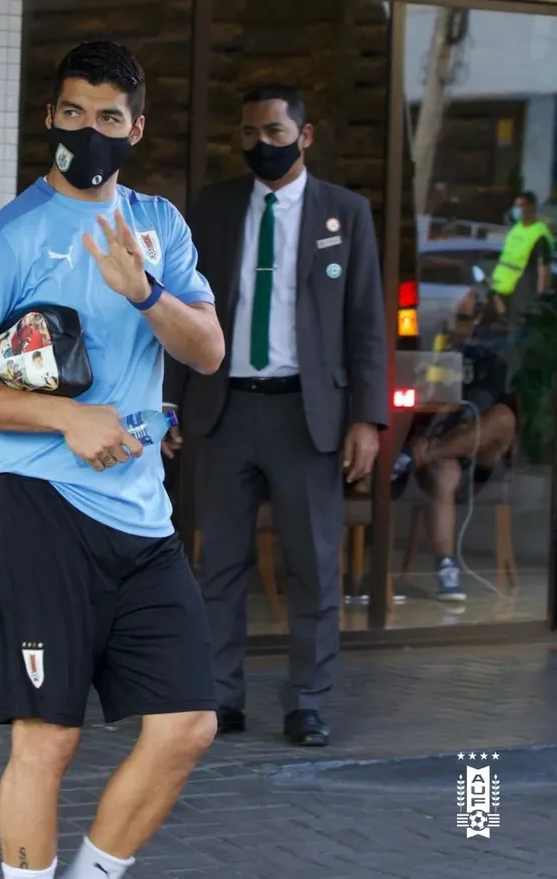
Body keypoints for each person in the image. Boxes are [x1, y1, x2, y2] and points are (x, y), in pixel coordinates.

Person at [0, 40, 224, 879]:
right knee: (48, 739)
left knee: (189, 722)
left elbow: (207, 349)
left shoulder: (159, 225)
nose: (91, 131)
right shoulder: (9, 235)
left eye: (110, 119)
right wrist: (63, 418)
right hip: (41, 511)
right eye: (75, 115)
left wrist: (146, 293)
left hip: (142, 516)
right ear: (50, 118)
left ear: (136, 127)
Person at [163, 84, 388, 748]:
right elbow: (181, 309)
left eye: (273, 132)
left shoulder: (344, 214)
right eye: (249, 133)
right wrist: (168, 400)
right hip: (224, 407)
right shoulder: (214, 208)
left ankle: (307, 700)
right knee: (220, 563)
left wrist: (367, 419)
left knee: (314, 565)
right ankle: (220, 697)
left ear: (305, 135)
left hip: (306, 414)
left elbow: (366, 323)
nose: (260, 144)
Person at [392, 290, 516, 601]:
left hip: (472, 459)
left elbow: (480, 405)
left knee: (503, 417)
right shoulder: (424, 357)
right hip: (433, 462)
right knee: (445, 472)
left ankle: (417, 456)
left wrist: (441, 431)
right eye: (446, 319)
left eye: (461, 318)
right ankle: (447, 567)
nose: (452, 325)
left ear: (476, 319)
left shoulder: (489, 358)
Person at [491, 190, 553, 328]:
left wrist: (540, 297)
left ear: (532, 208)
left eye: (522, 206)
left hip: (524, 291)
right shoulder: (516, 228)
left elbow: (544, 269)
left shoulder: (540, 234)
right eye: (516, 206)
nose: (517, 210)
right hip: (503, 290)